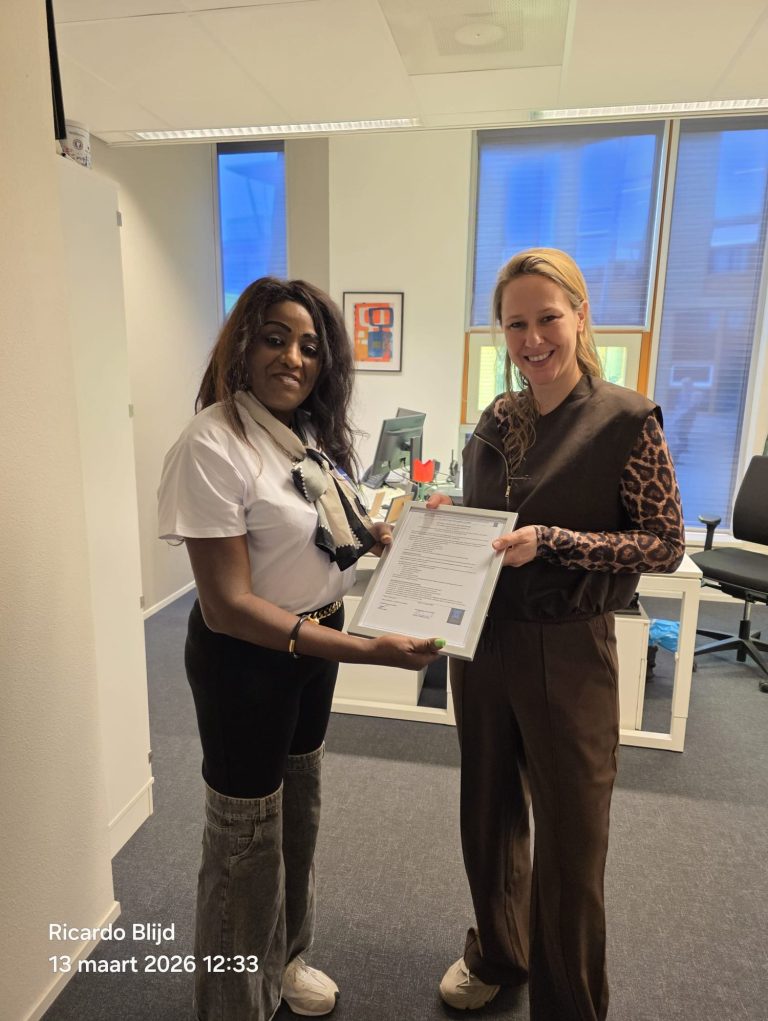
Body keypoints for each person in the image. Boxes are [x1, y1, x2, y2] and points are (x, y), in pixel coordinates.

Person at [157, 277, 442, 1021]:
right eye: (276, 338)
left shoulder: (307, 435)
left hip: (311, 650)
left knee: (297, 817)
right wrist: (367, 651)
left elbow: (315, 537)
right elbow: (227, 605)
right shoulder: (213, 442)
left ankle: (283, 961)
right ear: (242, 345)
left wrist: (384, 537)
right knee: (244, 843)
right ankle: (233, 1002)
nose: (294, 358)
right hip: (247, 662)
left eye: (311, 346)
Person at [428, 249, 684, 1021]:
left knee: (572, 838)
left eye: (547, 318)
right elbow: (488, 518)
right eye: (516, 324)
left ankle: (570, 1005)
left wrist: (558, 542)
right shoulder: (497, 418)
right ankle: (500, 953)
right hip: (483, 640)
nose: (532, 339)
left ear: (579, 315)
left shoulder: (626, 421)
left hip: (568, 646)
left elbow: (664, 543)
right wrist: (446, 517)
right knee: (487, 810)